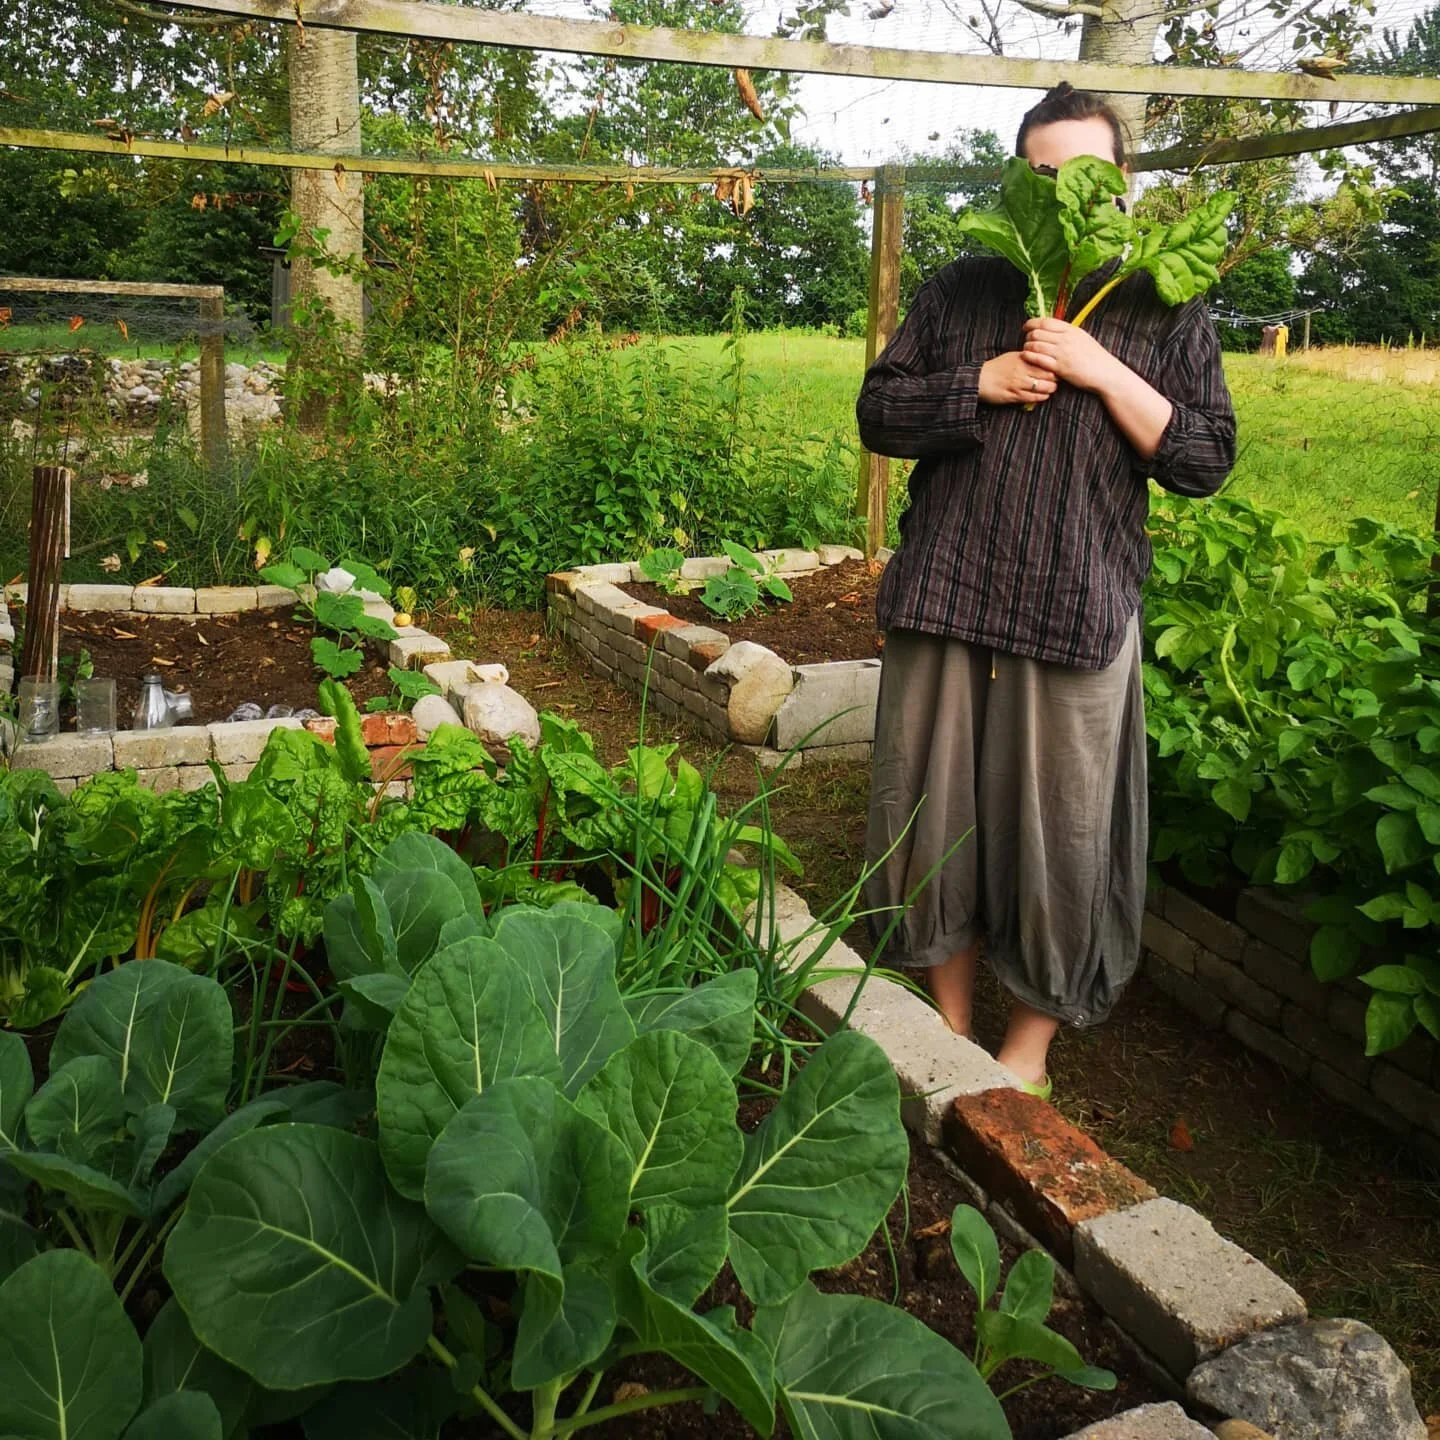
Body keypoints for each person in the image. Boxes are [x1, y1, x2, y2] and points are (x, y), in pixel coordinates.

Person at [857, 83, 1236, 1098]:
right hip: (948, 590)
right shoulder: (967, 287)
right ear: (1020, 177)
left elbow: (1203, 458)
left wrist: (1103, 370)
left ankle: (1025, 1056)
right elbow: (878, 412)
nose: (1064, 195)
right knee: (930, 814)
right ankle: (947, 1028)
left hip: (1074, 604)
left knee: (1057, 835)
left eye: (1087, 176)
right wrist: (976, 384)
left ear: (1121, 183)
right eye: (1042, 174)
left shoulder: (1162, 303)